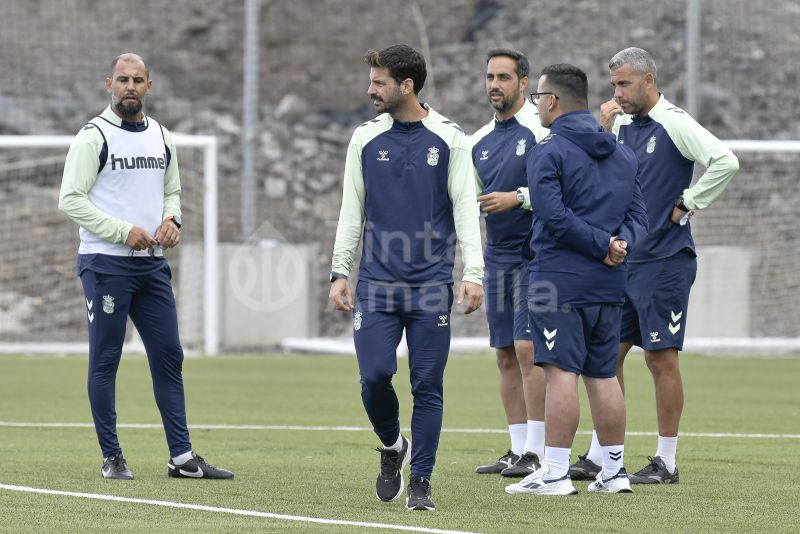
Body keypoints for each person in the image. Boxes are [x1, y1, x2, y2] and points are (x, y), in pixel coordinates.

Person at [58, 53, 233, 481]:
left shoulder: (160, 135)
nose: (130, 86)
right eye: (123, 80)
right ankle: (112, 456)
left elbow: (171, 190)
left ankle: (182, 457)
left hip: (151, 266)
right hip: (106, 265)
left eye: (138, 80)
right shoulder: (92, 137)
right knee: (106, 360)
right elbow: (70, 200)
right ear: (109, 85)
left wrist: (172, 220)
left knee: (170, 356)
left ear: (149, 86)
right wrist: (122, 230)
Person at [570, 47, 739, 484]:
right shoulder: (621, 124)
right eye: (613, 86)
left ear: (648, 81)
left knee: (660, 359)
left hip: (665, 261)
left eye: (624, 85)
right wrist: (603, 126)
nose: (617, 94)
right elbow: (595, 171)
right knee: (607, 358)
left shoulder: (675, 123)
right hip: (624, 262)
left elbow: (725, 160)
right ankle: (604, 455)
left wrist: (690, 201)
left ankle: (666, 461)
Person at [329, 44, 484, 511]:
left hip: (431, 286)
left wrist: (472, 273)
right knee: (374, 377)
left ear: (407, 85)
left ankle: (421, 481)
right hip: (376, 284)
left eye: (379, 82)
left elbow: (464, 211)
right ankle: (394, 444)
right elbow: (350, 212)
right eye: (372, 80)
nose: (370, 89)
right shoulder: (364, 138)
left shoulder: (451, 138)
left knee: (427, 386)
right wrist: (340, 270)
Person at [504, 63, 648, 496]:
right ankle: (615, 472)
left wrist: (602, 243)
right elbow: (640, 217)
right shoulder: (623, 153)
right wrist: (618, 245)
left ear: (551, 101)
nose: (536, 107)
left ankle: (556, 472)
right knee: (603, 375)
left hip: (559, 281)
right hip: (608, 283)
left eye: (537, 99)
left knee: (560, 372)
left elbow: (551, 215)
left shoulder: (547, 151)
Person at [470, 48, 548, 478]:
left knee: (528, 350)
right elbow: (468, 201)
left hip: (536, 257)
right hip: (496, 257)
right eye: (489, 77)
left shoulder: (541, 129)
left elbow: (565, 188)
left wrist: (518, 197)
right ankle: (517, 449)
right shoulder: (478, 141)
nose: (494, 84)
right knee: (503, 353)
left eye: (503, 77)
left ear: (523, 82)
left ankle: (537, 449)